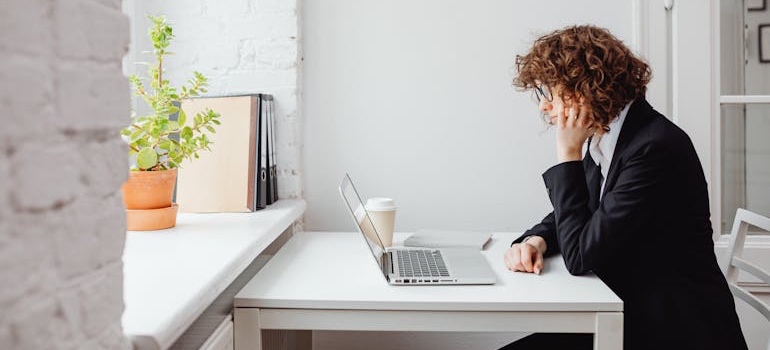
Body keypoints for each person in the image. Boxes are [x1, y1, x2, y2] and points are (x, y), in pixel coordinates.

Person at [501, 25, 748, 350]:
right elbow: (583, 210)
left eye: (552, 91)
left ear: (584, 88)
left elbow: (580, 255)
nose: (545, 106)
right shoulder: (613, 136)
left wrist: (567, 155)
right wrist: (536, 240)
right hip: (628, 307)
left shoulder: (653, 148)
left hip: (670, 328)